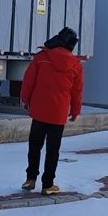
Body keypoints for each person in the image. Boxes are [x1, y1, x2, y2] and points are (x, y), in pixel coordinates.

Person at [20, 27, 84, 196]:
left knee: (35, 146)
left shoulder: (42, 57)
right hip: (58, 113)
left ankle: (30, 178)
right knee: (53, 150)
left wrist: (25, 99)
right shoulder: (75, 65)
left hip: (39, 110)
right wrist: (75, 111)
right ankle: (48, 185)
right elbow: (76, 91)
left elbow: (28, 80)